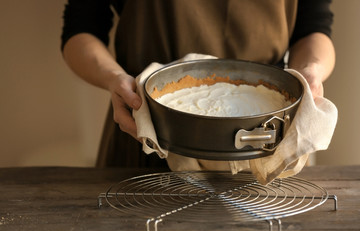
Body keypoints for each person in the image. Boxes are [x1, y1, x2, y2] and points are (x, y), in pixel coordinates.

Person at [61, 0, 335, 168]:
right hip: (149, 136)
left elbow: (314, 27)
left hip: (265, 142)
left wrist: (310, 71)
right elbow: (81, 28)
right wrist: (115, 79)